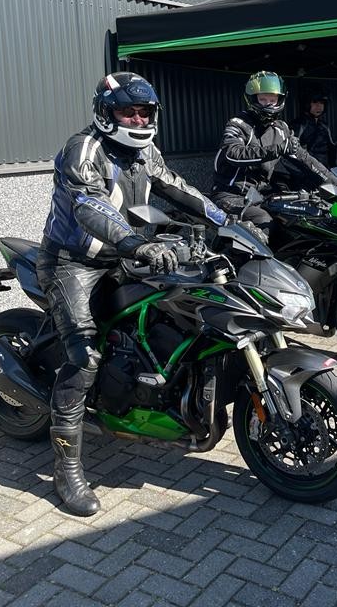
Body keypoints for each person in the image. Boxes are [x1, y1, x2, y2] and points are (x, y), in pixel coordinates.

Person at [37, 72, 232, 516]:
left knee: (169, 314)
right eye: (129, 111)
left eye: (145, 111)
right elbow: (89, 204)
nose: (139, 119)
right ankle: (67, 469)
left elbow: (175, 186)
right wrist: (135, 243)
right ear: (106, 113)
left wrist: (227, 221)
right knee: (84, 357)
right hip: (73, 261)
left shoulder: (146, 151)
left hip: (126, 255)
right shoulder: (83, 149)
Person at [211, 71, 337, 234]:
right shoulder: (238, 124)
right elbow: (233, 154)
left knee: (297, 218)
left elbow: (305, 158)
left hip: (259, 195)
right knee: (264, 221)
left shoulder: (281, 128)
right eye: (263, 99)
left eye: (273, 100)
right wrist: (278, 149)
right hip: (229, 195)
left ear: (280, 100)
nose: (269, 104)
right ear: (252, 99)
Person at [291, 89, 337, 167]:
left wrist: (333, 168)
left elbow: (332, 149)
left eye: (322, 103)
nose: (319, 106)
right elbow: (291, 152)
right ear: (307, 104)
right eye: (315, 102)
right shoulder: (299, 125)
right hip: (305, 170)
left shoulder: (324, 126)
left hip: (324, 170)